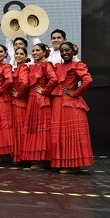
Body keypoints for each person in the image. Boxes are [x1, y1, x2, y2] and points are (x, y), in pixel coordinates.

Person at [51, 42, 94, 173]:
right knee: (61, 135)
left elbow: (88, 80)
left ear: (73, 51)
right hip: (58, 103)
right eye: (62, 51)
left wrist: (75, 93)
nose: (65, 53)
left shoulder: (78, 65)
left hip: (70, 104)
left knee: (72, 135)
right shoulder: (58, 66)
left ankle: (74, 166)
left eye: (67, 50)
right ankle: (64, 163)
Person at [21, 43, 58, 169]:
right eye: (33, 50)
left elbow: (54, 79)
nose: (35, 52)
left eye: (37, 50)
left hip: (41, 100)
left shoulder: (46, 65)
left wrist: (44, 91)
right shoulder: (31, 67)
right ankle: (36, 158)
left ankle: (43, 159)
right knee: (33, 128)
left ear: (44, 52)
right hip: (31, 100)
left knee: (43, 128)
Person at [11, 47, 30, 163]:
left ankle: (22, 156)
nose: (18, 55)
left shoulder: (23, 69)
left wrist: (19, 94)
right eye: (16, 53)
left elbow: (25, 83)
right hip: (16, 102)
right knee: (17, 129)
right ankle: (18, 155)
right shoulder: (17, 69)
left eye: (21, 54)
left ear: (25, 56)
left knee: (20, 129)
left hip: (20, 103)